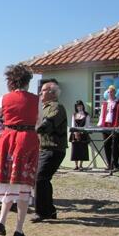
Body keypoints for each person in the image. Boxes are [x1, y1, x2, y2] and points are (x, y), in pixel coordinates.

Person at [0, 64, 42, 236]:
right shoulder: (35, 99)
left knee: (9, 183)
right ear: (27, 81)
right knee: (24, 186)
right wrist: (28, 130)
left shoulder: (5, 98)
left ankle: (1, 222)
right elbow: (39, 120)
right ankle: (18, 230)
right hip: (28, 140)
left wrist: (3, 133)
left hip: (8, 141)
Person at [32, 82, 68, 222]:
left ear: (52, 93)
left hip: (53, 149)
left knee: (40, 178)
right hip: (44, 149)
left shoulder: (57, 107)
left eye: (43, 91)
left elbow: (47, 124)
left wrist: (31, 129)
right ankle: (50, 211)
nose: (40, 93)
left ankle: (42, 212)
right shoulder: (43, 108)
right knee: (43, 179)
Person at [97, 85, 119, 170]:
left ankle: (115, 164)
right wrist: (100, 124)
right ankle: (109, 164)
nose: (110, 93)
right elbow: (102, 115)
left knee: (115, 145)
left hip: (115, 126)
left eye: (112, 91)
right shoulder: (105, 103)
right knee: (106, 145)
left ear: (115, 92)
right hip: (106, 126)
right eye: (109, 92)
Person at [69, 100, 90, 170]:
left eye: (80, 105)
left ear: (83, 106)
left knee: (83, 149)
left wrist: (81, 132)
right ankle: (76, 165)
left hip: (83, 133)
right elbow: (72, 125)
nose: (79, 107)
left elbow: (87, 125)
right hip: (75, 134)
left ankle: (81, 165)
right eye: (78, 106)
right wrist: (75, 133)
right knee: (75, 149)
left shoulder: (86, 115)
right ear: (76, 107)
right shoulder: (74, 115)